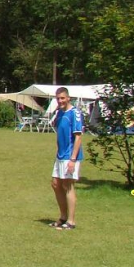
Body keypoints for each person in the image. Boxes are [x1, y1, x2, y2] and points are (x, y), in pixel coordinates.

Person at [50, 87, 83, 230]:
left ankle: (71, 221)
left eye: (62, 98)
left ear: (68, 98)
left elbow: (78, 137)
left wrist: (73, 159)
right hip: (60, 155)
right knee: (56, 184)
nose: (60, 101)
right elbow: (56, 128)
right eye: (58, 98)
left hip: (70, 156)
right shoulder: (59, 113)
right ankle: (63, 217)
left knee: (68, 186)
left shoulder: (74, 113)